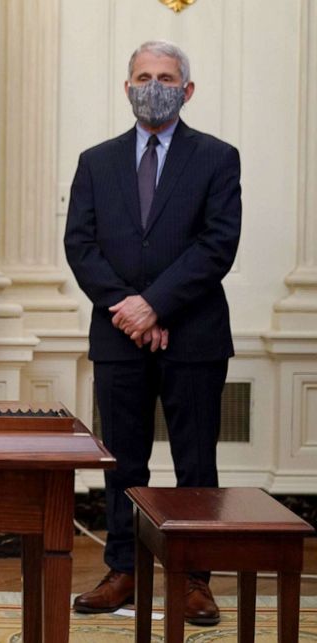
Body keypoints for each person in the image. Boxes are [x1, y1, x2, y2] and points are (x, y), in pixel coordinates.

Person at [64, 40, 241, 626]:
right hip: (119, 339)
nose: (153, 84)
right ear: (127, 87)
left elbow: (217, 244)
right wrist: (128, 310)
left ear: (186, 90)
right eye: (143, 76)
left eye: (166, 76)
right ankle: (124, 572)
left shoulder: (218, 158)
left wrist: (157, 307)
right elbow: (80, 245)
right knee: (121, 461)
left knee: (196, 463)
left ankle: (194, 579)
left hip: (193, 336)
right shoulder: (96, 161)